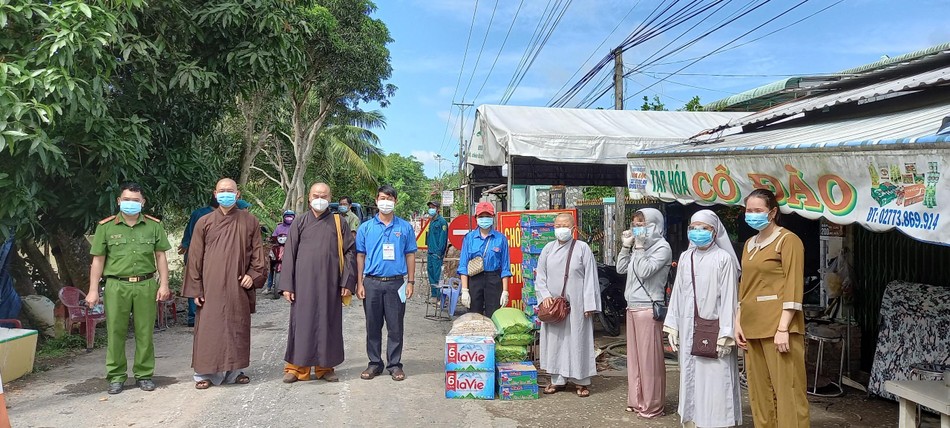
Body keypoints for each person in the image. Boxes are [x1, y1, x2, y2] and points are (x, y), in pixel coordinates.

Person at [86, 182, 172, 394]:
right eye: (126, 199)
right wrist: (93, 290)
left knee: (145, 331)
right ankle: (116, 376)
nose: (130, 204)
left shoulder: (154, 226)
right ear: (119, 201)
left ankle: (144, 374)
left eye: (135, 200)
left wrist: (164, 284)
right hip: (116, 285)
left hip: (145, 284)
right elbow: (98, 260)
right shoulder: (105, 227)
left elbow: (161, 256)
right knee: (115, 331)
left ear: (143, 202)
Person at [182, 178, 267, 390]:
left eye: (230, 191)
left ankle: (235, 372)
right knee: (209, 329)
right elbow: (194, 258)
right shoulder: (204, 221)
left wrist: (253, 274)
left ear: (238, 195)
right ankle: (204, 373)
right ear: (215, 193)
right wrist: (195, 288)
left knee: (236, 326)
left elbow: (258, 253)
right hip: (210, 286)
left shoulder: (250, 221)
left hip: (238, 285)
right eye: (222, 191)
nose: (226, 194)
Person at [735, 189, 809, 427]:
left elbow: (793, 284)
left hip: (779, 326)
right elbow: (744, 286)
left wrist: (783, 327)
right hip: (751, 325)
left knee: (789, 390)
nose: (753, 215)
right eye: (749, 210)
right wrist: (738, 322)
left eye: (758, 211)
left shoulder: (788, 240)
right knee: (759, 393)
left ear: (773, 212)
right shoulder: (749, 244)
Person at [664, 210, 742, 427]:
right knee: (690, 376)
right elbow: (678, 292)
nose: (698, 232)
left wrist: (726, 334)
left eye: (704, 228)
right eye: (694, 228)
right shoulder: (686, 257)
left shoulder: (723, 259)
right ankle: (694, 421)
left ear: (714, 232)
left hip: (715, 331)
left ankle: (717, 423)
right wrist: (673, 325)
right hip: (689, 330)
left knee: (716, 380)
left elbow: (729, 298)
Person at [278, 183, 357, 383]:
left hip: (330, 283)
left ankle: (325, 367)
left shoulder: (339, 223)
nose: (320, 198)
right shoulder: (300, 222)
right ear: (309, 198)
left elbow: (350, 252)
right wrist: (287, 284)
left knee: (327, 323)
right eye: (316, 195)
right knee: (301, 323)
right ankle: (296, 369)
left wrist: (347, 281)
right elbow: (289, 254)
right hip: (303, 283)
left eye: (324, 195)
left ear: (330, 198)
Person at [355, 185, 417, 382]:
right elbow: (360, 256)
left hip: (396, 283)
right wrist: (359, 283)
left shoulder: (404, 227)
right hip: (371, 282)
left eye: (390, 198)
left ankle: (395, 365)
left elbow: (410, 255)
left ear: (395, 202)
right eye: (382, 198)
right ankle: (374, 363)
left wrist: (411, 282)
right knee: (372, 325)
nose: (386, 202)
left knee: (395, 326)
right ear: (376, 200)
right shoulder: (366, 228)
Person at [536, 213, 601, 397]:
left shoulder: (582, 248)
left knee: (578, 340)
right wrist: (545, 296)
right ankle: (557, 380)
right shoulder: (548, 249)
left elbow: (590, 278)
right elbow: (540, 276)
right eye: (557, 225)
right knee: (555, 342)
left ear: (573, 228)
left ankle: (581, 381)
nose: (560, 228)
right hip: (554, 306)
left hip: (577, 305)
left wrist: (590, 304)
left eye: (564, 225)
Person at [617, 208, 671, 418]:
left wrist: (639, 249)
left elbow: (645, 271)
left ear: (655, 225)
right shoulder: (640, 247)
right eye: (635, 224)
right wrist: (626, 247)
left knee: (650, 361)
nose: (637, 228)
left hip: (648, 308)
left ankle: (652, 405)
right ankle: (636, 399)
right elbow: (622, 269)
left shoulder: (662, 247)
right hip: (632, 306)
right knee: (635, 360)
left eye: (642, 224)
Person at [180, 198, 251, 326]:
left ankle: (199, 315)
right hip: (202, 256)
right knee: (200, 281)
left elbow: (188, 233)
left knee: (199, 282)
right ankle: (200, 315)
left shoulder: (199, 214)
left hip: (201, 256)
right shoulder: (204, 217)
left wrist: (185, 245)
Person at [457, 202, 511, 317]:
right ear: (476, 218)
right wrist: (465, 290)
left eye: (487, 216)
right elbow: (463, 266)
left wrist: (505, 291)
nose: (484, 219)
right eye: (481, 216)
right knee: (474, 315)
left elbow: (505, 267)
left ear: (493, 218)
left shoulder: (501, 239)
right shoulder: (469, 238)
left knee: (494, 315)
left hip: (494, 280)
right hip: (475, 280)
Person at [266, 210, 295, 294]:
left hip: (291, 248)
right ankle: (269, 286)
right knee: (272, 264)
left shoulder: (296, 226)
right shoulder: (279, 227)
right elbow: (274, 236)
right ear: (283, 217)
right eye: (287, 216)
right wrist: (270, 239)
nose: (289, 218)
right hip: (279, 248)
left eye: (291, 216)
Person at [425, 201, 449, 303]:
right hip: (430, 252)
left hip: (437, 253)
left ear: (438, 209)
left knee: (437, 274)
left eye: (433, 207)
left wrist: (439, 253)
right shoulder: (432, 221)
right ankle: (434, 295)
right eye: (430, 207)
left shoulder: (442, 222)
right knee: (430, 274)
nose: (431, 209)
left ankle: (439, 297)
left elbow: (443, 239)